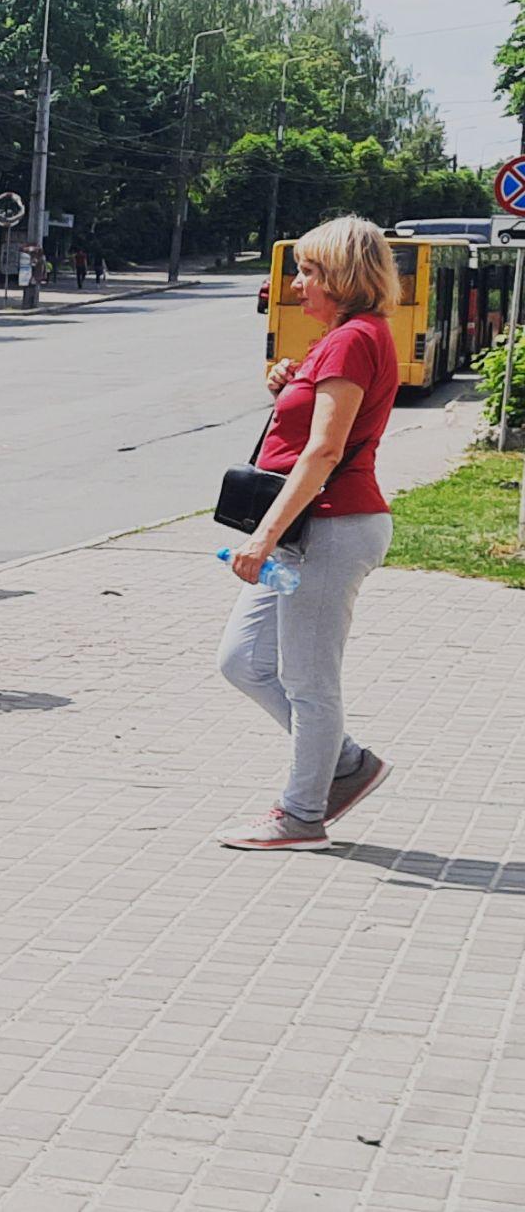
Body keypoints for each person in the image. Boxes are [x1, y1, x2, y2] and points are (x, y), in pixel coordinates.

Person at [214, 216, 398, 851]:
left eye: (310, 272)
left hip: (331, 525)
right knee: (242, 660)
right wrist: (289, 383)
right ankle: (343, 763)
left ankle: (301, 815)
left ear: (343, 276)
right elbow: (312, 420)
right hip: (309, 529)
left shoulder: (353, 340)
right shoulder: (340, 338)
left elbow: (323, 453)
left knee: (309, 681)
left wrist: (261, 537)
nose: (297, 284)